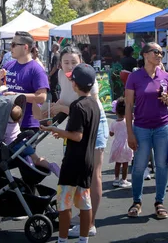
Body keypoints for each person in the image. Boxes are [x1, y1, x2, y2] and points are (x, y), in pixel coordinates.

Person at [49, 45, 109, 238]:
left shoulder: (87, 79)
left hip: (95, 125)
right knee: (78, 174)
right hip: (74, 126)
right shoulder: (60, 75)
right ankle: (82, 216)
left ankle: (90, 223)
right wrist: (55, 109)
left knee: (93, 175)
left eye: (74, 62)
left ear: (81, 63)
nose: (69, 66)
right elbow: (66, 102)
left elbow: (87, 108)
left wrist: (61, 108)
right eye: (66, 62)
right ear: (60, 63)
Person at [40, 63, 100, 243]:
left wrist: (56, 130)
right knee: (84, 202)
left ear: (75, 84)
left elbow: (77, 135)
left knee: (64, 203)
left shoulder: (77, 106)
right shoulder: (94, 105)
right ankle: (83, 239)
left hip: (73, 161)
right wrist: (63, 133)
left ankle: (62, 239)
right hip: (88, 160)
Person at [125, 42, 168, 219]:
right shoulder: (134, 77)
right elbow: (129, 106)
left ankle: (159, 202)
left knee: (162, 165)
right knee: (139, 166)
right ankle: (136, 201)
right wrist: (129, 133)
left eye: (161, 52)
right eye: (156, 52)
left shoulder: (166, 76)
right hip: (141, 127)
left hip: (163, 126)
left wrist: (167, 100)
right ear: (145, 55)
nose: (160, 55)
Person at [0, 32, 49, 133]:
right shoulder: (8, 65)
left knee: (22, 149)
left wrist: (16, 96)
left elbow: (42, 97)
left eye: (13, 45)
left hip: (27, 124)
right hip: (6, 121)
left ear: (25, 47)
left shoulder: (36, 69)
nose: (10, 48)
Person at [109, 97, 133, 188]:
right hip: (126, 146)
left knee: (117, 163)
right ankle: (124, 180)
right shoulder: (128, 122)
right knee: (125, 164)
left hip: (116, 146)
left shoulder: (113, 123)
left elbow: (111, 134)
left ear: (116, 111)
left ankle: (116, 179)